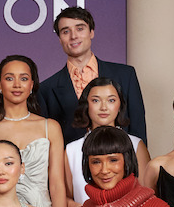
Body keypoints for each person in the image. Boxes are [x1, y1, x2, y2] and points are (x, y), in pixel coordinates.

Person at [0, 56, 67, 207]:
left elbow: (56, 184)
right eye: (9, 78)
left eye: (23, 78)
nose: (17, 84)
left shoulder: (49, 127)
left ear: (32, 85)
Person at [38, 7, 147, 145]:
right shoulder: (46, 89)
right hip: (71, 164)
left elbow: (138, 128)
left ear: (91, 32)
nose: (73, 36)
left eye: (80, 28)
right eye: (66, 31)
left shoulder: (125, 75)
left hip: (122, 160)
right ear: (60, 39)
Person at [65, 77, 151, 207]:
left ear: (120, 105)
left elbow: (147, 193)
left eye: (111, 100)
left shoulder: (136, 144)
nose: (104, 107)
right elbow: (65, 197)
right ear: (86, 105)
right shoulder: (71, 150)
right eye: (95, 100)